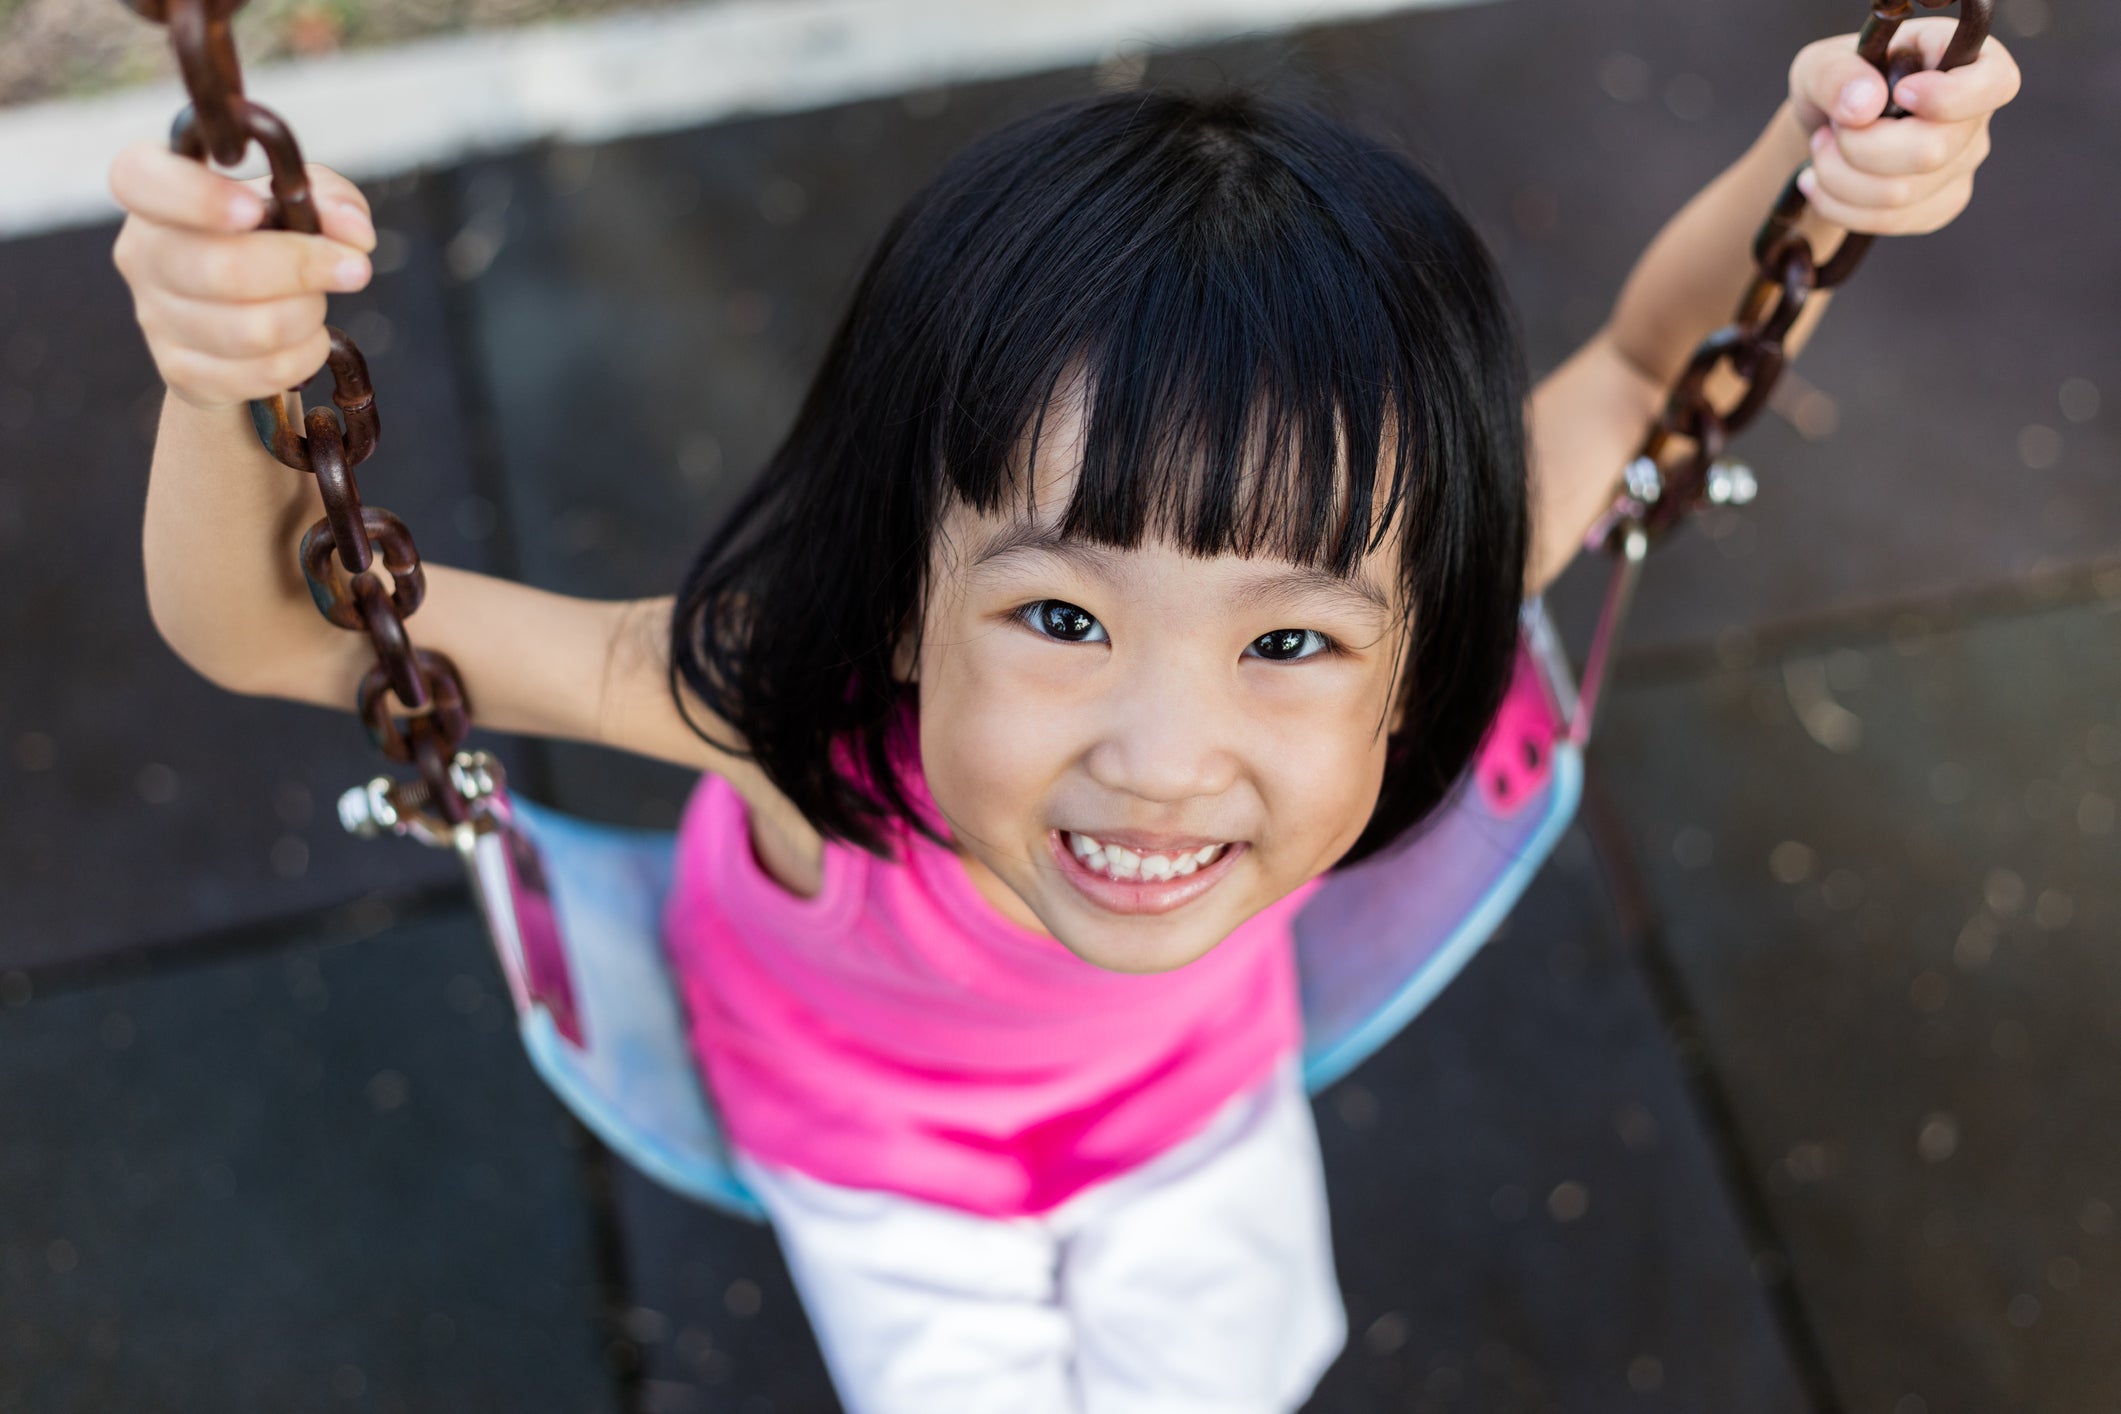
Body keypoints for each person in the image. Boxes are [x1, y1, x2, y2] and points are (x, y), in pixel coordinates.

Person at [107, 18, 2018, 1413]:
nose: (1162, 755)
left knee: (1232, 1371)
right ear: (904, 575)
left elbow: (1642, 363)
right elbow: (290, 625)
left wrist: (1816, 165)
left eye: (1285, 643)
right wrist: (220, 379)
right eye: (1054, 610)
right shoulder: (806, 690)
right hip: (867, 1146)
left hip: (1186, 1097)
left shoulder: (1438, 579)